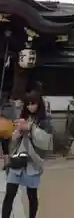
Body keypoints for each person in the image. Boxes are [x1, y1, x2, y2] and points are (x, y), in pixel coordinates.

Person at [1, 90, 52, 218]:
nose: (30, 106)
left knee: (32, 195)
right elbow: (12, 142)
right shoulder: (22, 117)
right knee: (9, 194)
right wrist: (16, 134)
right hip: (17, 161)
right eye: (28, 104)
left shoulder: (44, 121)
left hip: (32, 164)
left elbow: (46, 141)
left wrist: (31, 128)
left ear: (39, 104)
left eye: (33, 103)